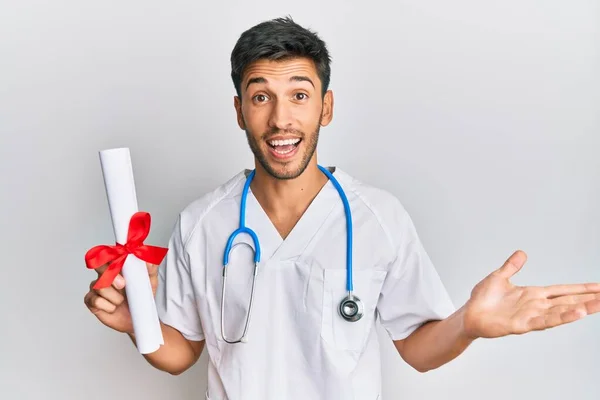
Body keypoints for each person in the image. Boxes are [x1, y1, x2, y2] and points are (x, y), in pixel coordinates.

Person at [83, 16, 600, 400]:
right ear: (239, 110)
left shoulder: (378, 217)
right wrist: (138, 325)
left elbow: (417, 349)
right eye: (261, 97)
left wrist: (467, 322)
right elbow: (182, 354)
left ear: (326, 108)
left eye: (300, 95)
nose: (281, 119)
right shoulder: (202, 223)